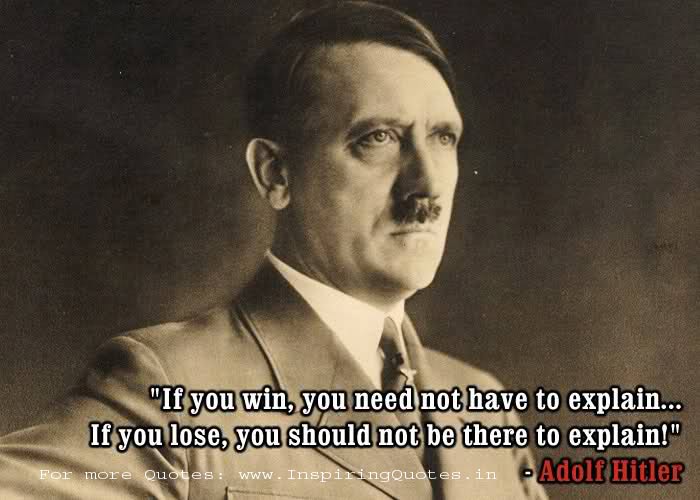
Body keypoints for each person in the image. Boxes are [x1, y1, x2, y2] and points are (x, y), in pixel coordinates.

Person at [0, 2, 546, 499]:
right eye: (377, 138)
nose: (426, 186)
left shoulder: (483, 406)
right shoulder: (170, 388)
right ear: (275, 174)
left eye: (443, 138)